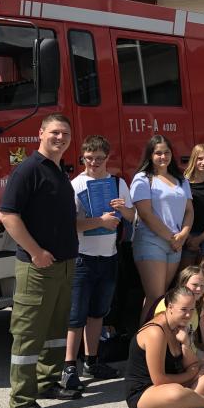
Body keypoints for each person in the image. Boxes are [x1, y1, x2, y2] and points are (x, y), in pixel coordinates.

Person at [0, 113, 81, 408]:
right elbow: (8, 215)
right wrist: (35, 252)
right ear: (41, 133)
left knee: (56, 331)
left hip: (64, 265)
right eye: (55, 132)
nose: (60, 138)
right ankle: (21, 402)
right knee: (29, 334)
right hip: (38, 267)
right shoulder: (29, 170)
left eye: (65, 134)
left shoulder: (58, 171)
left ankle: (47, 384)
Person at [64, 134, 136, 391]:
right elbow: (70, 225)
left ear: (108, 158)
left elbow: (131, 215)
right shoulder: (75, 185)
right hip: (83, 257)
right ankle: (69, 366)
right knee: (76, 315)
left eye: (98, 158)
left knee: (98, 313)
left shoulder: (117, 183)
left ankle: (92, 361)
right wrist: (100, 221)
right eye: (89, 158)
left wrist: (123, 209)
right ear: (82, 157)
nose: (93, 163)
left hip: (109, 256)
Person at [124, 287, 204, 408]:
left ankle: (177, 406)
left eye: (192, 309)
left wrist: (185, 343)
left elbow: (192, 365)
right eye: (183, 309)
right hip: (145, 392)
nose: (188, 315)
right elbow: (159, 380)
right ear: (170, 307)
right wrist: (191, 374)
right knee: (176, 393)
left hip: (173, 381)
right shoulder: (155, 332)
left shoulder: (180, 325)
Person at [131, 134, 194, 317]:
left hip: (175, 244)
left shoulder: (181, 180)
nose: (163, 157)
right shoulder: (142, 178)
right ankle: (143, 343)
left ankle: (156, 337)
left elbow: (189, 210)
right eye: (158, 153)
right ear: (150, 155)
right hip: (151, 241)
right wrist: (172, 238)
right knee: (156, 296)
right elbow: (145, 213)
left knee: (162, 296)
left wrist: (182, 235)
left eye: (166, 152)